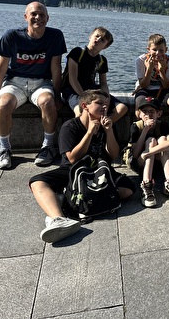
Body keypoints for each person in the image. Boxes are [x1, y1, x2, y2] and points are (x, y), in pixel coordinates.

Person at [28, 90, 135, 243]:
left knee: (129, 189)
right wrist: (90, 133)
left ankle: (72, 200)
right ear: (85, 106)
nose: (105, 107)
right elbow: (72, 158)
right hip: (73, 171)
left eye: (107, 104)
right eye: (99, 103)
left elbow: (112, 155)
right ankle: (59, 219)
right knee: (37, 181)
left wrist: (109, 131)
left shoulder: (107, 124)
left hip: (99, 170)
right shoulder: (70, 127)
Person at [0, 1, 67, 169]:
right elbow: (1, 68)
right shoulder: (12, 36)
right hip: (15, 81)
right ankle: (4, 149)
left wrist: (57, 95)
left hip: (42, 82)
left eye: (42, 15)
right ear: (26, 17)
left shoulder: (55, 36)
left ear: (48, 18)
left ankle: (48, 147)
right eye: (34, 14)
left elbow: (56, 68)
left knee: (47, 102)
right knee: (3, 104)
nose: (38, 18)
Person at [61, 27, 127, 123]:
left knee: (122, 108)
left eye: (102, 40)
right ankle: (80, 134)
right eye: (96, 36)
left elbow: (103, 83)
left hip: (91, 89)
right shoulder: (77, 53)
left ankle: (101, 127)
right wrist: (85, 97)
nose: (98, 39)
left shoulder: (102, 60)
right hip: (72, 90)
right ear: (90, 37)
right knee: (81, 112)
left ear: (105, 46)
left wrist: (106, 98)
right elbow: (72, 79)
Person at [134, 34, 169, 150]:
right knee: (139, 104)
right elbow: (143, 84)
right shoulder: (140, 60)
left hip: (162, 89)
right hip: (145, 88)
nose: (158, 53)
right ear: (148, 49)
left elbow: (167, 85)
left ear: (166, 50)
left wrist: (162, 70)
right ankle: (139, 137)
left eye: (161, 50)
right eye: (154, 50)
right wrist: (149, 69)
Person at [129, 96, 169, 208]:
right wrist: (145, 130)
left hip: (156, 160)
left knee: (163, 140)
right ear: (139, 114)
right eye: (144, 112)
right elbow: (134, 154)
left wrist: (149, 153)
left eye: (151, 112)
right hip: (140, 162)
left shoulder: (161, 124)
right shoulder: (136, 126)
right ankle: (146, 185)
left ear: (158, 114)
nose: (148, 115)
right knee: (151, 140)